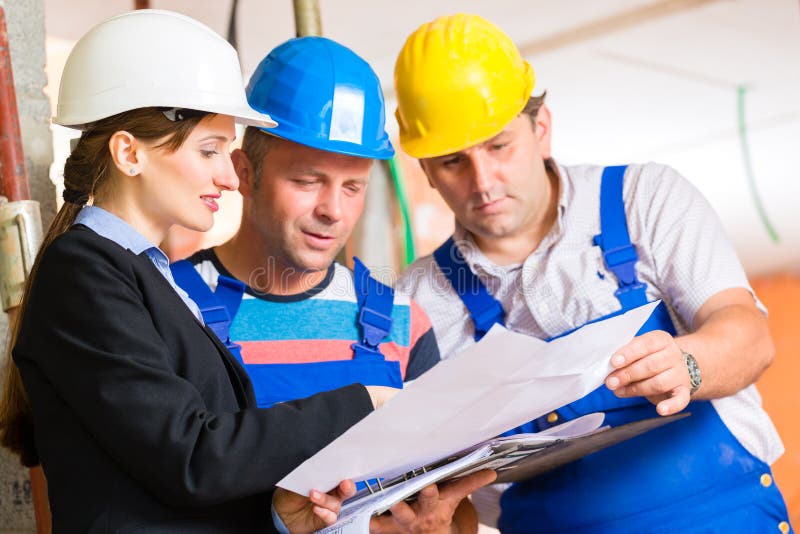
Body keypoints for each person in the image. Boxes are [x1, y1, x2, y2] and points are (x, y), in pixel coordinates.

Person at [394, 13, 793, 534]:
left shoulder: (643, 200)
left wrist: (688, 364)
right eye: (452, 162)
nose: (483, 181)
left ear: (540, 129)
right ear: (424, 169)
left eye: (498, 146)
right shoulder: (419, 302)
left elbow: (749, 336)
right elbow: (452, 499)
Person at [0, 10, 395, 533]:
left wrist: (277, 518)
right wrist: (361, 404)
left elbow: (170, 479)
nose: (230, 176)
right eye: (210, 150)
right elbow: (191, 457)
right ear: (129, 153)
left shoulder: (143, 276)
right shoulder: (82, 274)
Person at [170, 36, 494, 533]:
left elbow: (456, 505)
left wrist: (439, 527)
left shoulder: (403, 321)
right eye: (306, 181)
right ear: (244, 172)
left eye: (353, 186)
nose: (333, 211)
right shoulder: (173, 306)